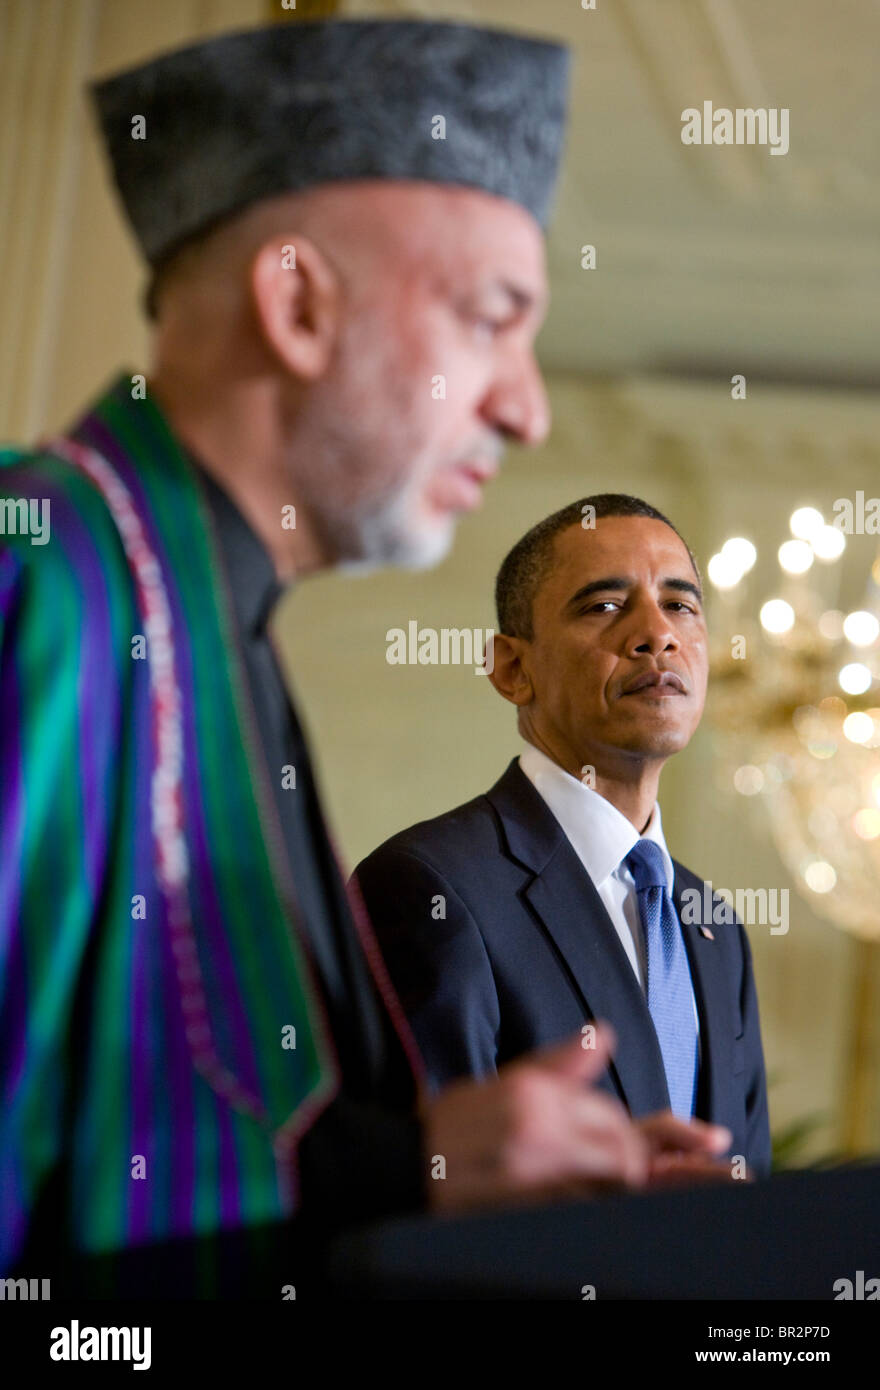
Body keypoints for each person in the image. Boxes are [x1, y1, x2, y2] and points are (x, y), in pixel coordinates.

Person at [0, 22, 729, 1298]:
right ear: (296, 303)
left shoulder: (211, 639)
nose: (526, 406)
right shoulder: (40, 575)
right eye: (493, 318)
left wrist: (443, 1177)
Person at [356, 496, 772, 1177]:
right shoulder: (430, 886)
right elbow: (425, 1207)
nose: (656, 635)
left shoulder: (714, 923)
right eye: (604, 606)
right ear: (513, 669)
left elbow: (753, 1204)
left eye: (680, 605)